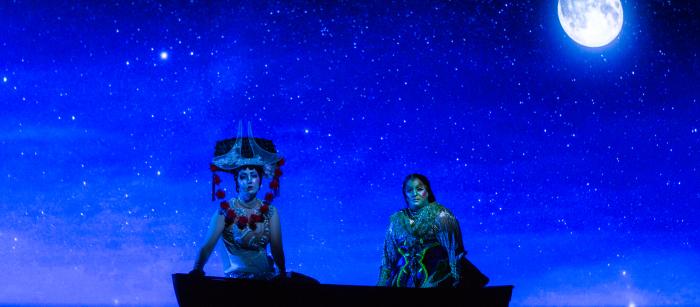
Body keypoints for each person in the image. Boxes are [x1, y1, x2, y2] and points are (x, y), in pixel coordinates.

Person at [190, 122, 285, 280]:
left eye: (254, 176)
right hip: (235, 283)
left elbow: (276, 248)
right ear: (236, 182)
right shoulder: (225, 211)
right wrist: (196, 270)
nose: (249, 181)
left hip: (266, 281)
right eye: (243, 176)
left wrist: (282, 274)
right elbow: (207, 246)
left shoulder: (270, 211)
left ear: (260, 181)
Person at [377, 174, 488, 288]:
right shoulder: (396, 221)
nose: (415, 193)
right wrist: (380, 286)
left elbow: (454, 250)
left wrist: (456, 280)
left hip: (440, 274)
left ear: (427, 191)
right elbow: (388, 259)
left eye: (419, 189)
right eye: (410, 190)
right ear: (405, 195)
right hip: (407, 278)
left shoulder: (441, 215)